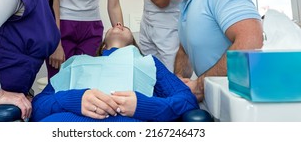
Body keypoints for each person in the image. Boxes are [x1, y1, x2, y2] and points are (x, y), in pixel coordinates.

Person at [157, 0, 264, 102]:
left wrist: (200, 85)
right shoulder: (186, 1)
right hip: (214, 96)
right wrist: (178, 79)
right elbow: (185, 49)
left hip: (242, 97)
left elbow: (252, 40)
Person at [31, 24, 199, 122]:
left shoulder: (148, 62)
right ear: (103, 46)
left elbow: (187, 101)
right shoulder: (76, 62)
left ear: (133, 46)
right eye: (114, 25)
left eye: (125, 27)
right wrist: (74, 100)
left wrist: (142, 106)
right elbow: (37, 108)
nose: (118, 23)